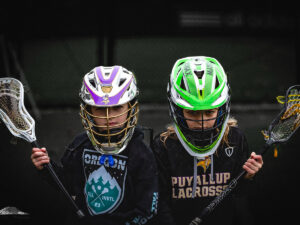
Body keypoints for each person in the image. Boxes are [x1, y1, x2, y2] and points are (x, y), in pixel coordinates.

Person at [31, 66, 158, 225]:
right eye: (100, 109)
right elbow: (68, 186)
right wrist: (46, 168)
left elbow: (147, 209)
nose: (109, 116)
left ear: (130, 107)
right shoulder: (80, 145)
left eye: (117, 107)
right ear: (88, 110)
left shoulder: (140, 153)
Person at [152, 56, 263, 225]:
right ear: (177, 109)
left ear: (222, 108)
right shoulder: (164, 146)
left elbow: (241, 198)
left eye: (209, 112)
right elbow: (160, 203)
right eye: (193, 113)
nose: (202, 121)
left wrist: (248, 177)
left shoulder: (234, 139)